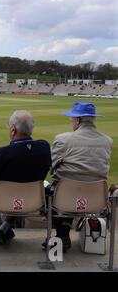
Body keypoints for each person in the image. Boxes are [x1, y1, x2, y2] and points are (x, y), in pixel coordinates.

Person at [0, 110, 51, 245]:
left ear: (13, 130)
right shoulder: (44, 148)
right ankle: (5, 226)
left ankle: (0, 224)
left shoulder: (1, 154)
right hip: (33, 201)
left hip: (2, 203)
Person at [47, 102, 113, 250]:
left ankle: (60, 236)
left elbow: (50, 167)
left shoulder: (63, 139)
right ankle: (62, 235)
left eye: (71, 119)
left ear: (77, 120)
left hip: (64, 199)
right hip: (97, 201)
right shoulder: (108, 141)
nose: (71, 122)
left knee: (58, 188)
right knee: (74, 186)